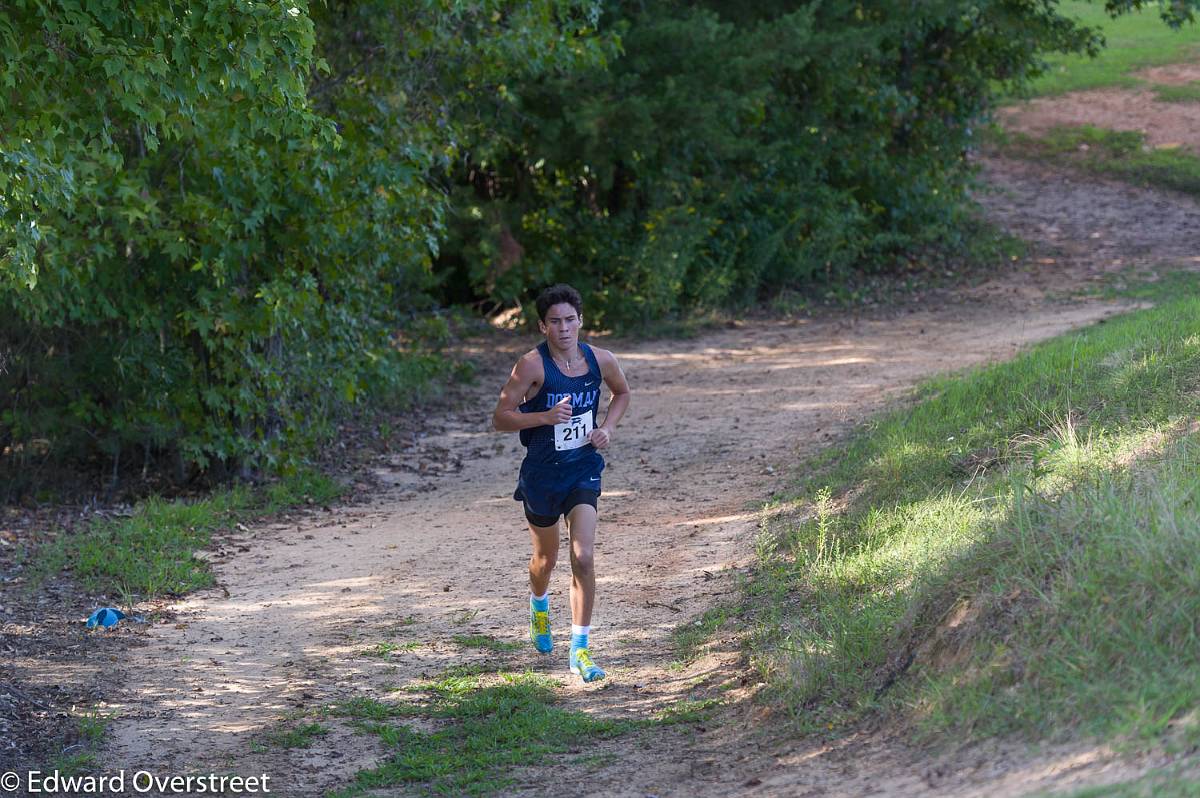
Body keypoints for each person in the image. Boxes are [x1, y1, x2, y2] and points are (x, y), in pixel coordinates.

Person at [492, 284, 631, 682]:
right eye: (556, 322)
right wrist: (543, 417)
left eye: (571, 320)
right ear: (543, 325)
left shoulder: (600, 360)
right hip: (541, 474)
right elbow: (500, 417)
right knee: (545, 562)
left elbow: (621, 393)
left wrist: (607, 427)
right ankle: (539, 605)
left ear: (581, 322)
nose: (564, 328)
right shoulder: (531, 366)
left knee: (583, 556)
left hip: (582, 469)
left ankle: (580, 651)